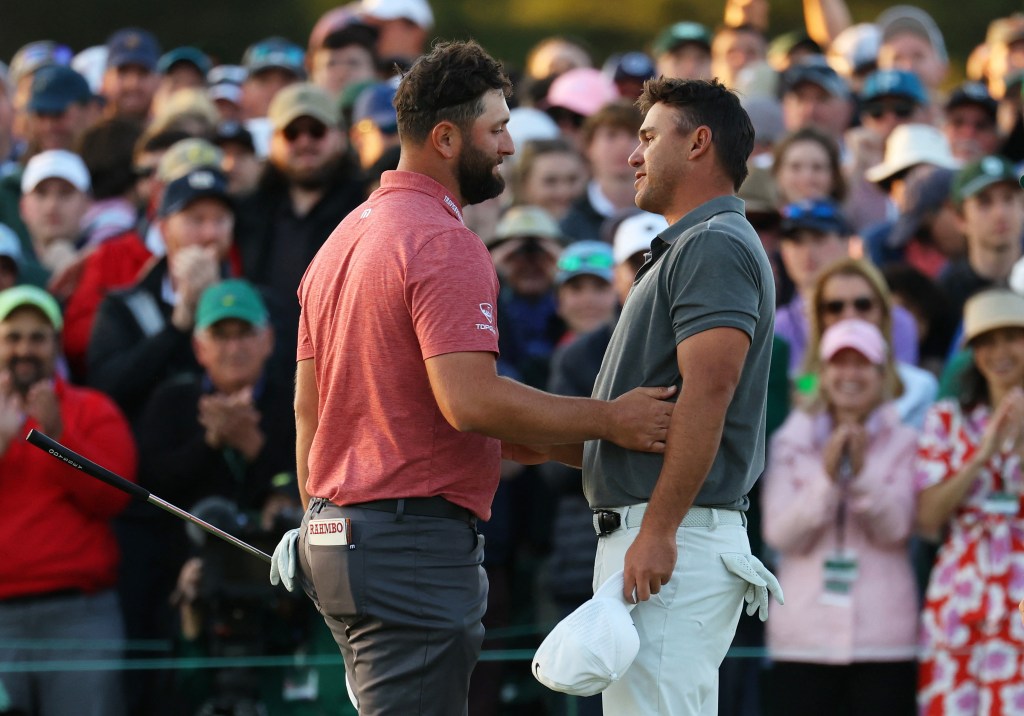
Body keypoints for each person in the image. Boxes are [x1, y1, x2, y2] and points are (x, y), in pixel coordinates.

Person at [270, 40, 675, 715]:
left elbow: (313, 416)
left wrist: (324, 523)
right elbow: (469, 402)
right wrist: (611, 418)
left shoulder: (341, 238)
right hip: (410, 549)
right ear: (447, 137)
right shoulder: (441, 239)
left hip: (339, 541)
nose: (511, 146)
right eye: (498, 128)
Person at [574, 77, 782, 714]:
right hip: (665, 533)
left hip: (675, 536)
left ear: (698, 143)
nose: (632, 156)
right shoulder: (693, 244)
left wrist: (659, 529)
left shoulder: (712, 242)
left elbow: (709, 392)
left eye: (646, 137)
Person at [762, 318, 919, 716]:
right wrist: (827, 480)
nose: (849, 374)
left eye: (862, 364)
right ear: (823, 374)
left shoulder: (907, 442)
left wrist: (863, 477)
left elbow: (899, 528)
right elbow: (779, 533)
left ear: (881, 375)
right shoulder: (789, 441)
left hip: (884, 638)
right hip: (803, 637)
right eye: (839, 363)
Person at [0, 285, 137, 716]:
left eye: (37, 337)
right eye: (13, 336)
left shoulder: (91, 409)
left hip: (80, 615)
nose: (25, 348)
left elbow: (114, 499)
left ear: (56, 344)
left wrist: (58, 435)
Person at [916, 289, 1024, 714]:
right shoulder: (946, 417)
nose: (998, 352)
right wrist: (983, 454)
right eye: (987, 341)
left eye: (1010, 337)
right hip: (960, 592)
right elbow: (926, 520)